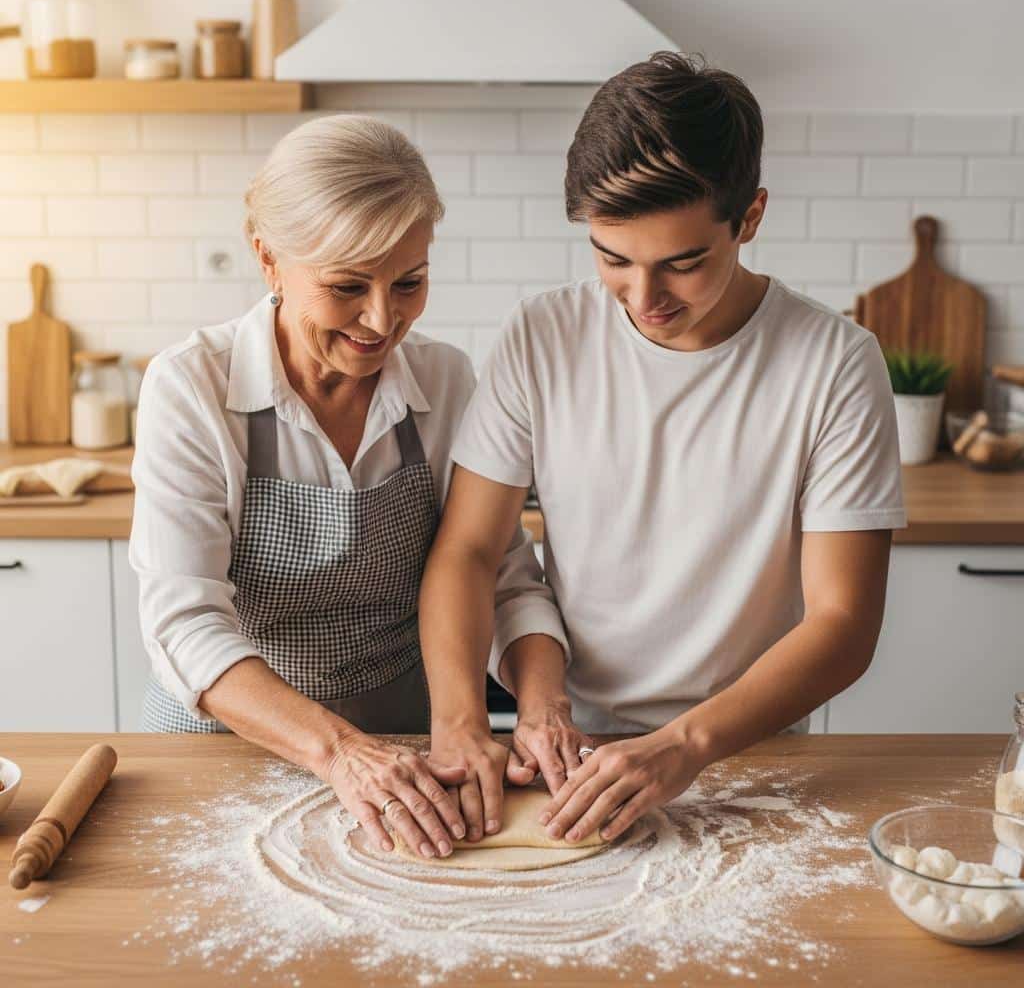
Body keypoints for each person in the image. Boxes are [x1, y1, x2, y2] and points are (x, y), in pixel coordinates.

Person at [420, 53, 905, 846]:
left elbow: (844, 621)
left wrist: (686, 745)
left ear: (748, 218)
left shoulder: (835, 363)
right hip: (575, 750)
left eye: (683, 264)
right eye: (613, 260)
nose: (644, 301)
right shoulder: (543, 336)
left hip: (751, 757)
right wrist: (464, 723)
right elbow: (469, 551)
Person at [129, 115, 564, 860]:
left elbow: (501, 576)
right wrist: (337, 752)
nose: (380, 319)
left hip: (409, 756)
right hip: (228, 756)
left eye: (410, 282)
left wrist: (541, 707)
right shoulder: (193, 386)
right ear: (268, 259)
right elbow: (183, 622)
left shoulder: (447, 381)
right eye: (345, 286)